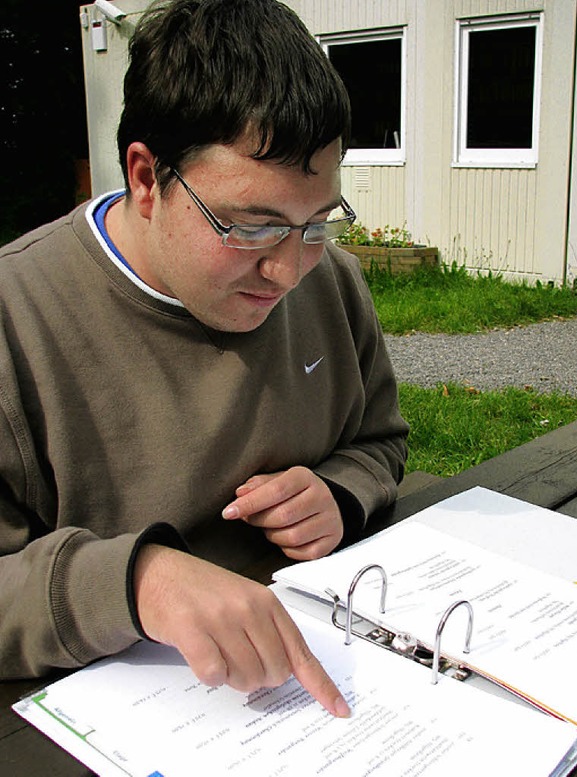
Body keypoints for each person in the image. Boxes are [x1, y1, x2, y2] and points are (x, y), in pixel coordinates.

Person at [0, 0, 408, 718]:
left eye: (317, 223)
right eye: (252, 227)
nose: (289, 272)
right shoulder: (14, 320)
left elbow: (379, 439)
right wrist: (137, 582)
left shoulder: (330, 282)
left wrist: (340, 493)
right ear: (146, 179)